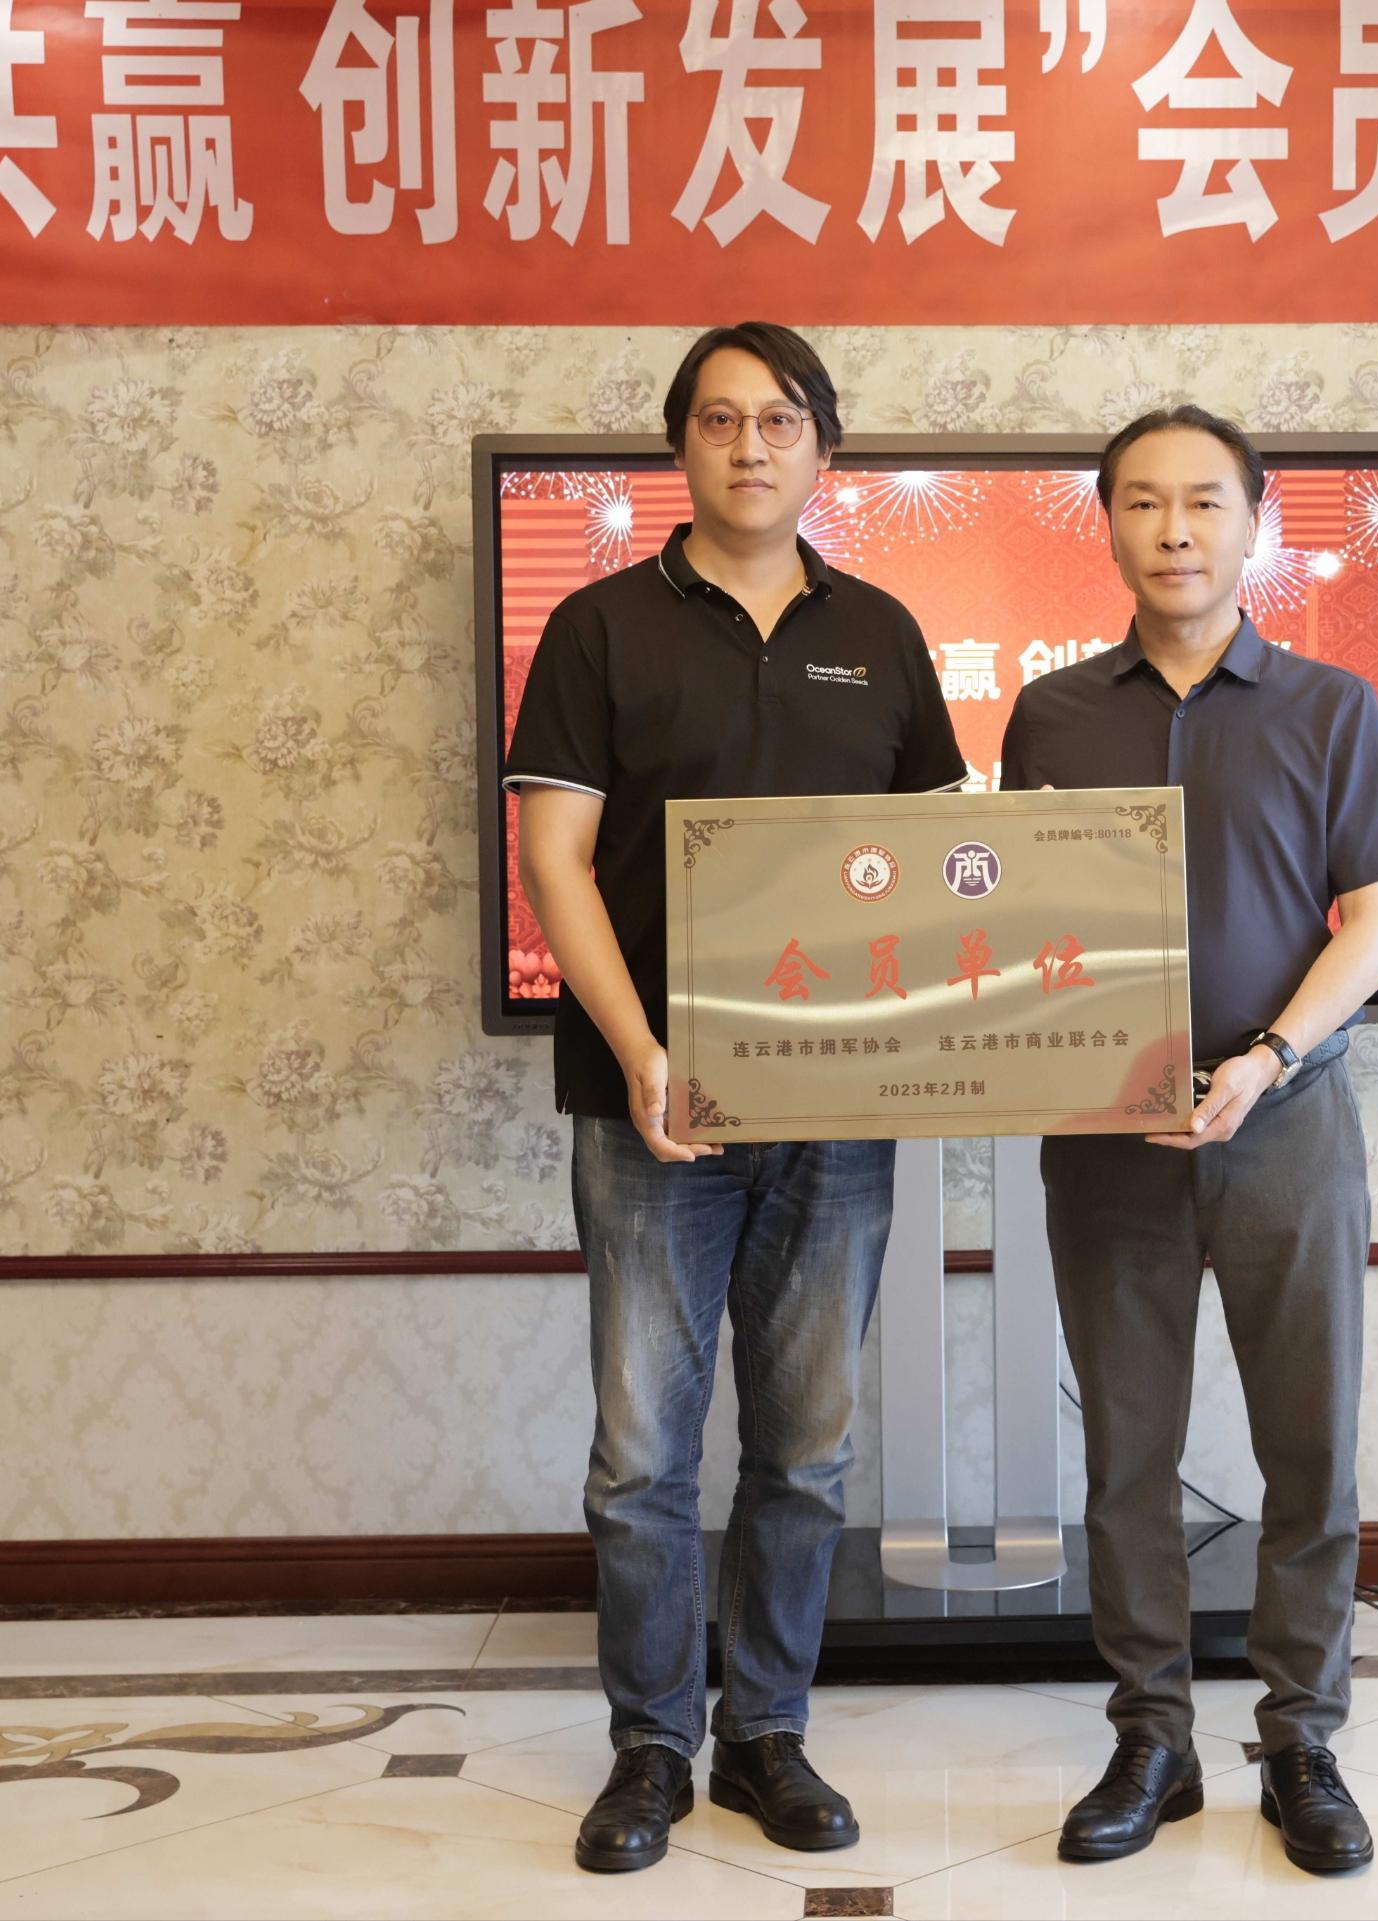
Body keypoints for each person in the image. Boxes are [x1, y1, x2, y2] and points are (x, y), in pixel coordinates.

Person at [502, 322, 968, 1874]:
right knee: (643, 1453)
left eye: (780, 419)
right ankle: (650, 1744)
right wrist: (643, 1051)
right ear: (679, 447)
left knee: (807, 1444)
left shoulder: (882, 632)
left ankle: (765, 1729)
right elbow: (555, 859)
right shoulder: (599, 627)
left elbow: (936, 864)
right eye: (719, 420)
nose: (750, 444)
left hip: (840, 1110)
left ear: (824, 446)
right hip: (650, 1103)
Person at [999, 407, 1378, 1876]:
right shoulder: (1050, 715)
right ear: (1107, 524)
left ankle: (1302, 1738)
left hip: (1286, 1122)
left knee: (1309, 1446)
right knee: (1129, 1453)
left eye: (1202, 501)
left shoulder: (1331, 707)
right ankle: (1154, 1739)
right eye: (1142, 502)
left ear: (1254, 521)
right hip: (1106, 1136)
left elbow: (1377, 922)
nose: (1173, 529)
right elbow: (1023, 923)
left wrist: (1268, 1057)